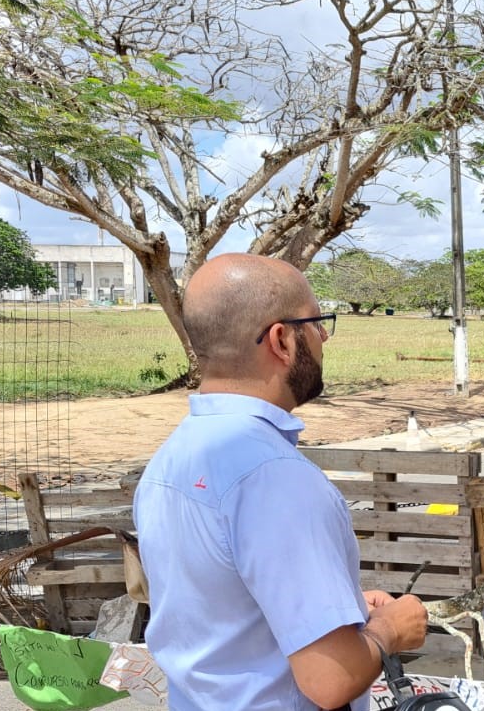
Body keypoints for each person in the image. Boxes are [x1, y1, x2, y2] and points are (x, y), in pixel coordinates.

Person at [134, 253, 428, 710]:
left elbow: (227, 606)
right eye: (317, 322)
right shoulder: (278, 478)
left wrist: (345, 603)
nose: (324, 336)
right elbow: (329, 679)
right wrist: (392, 628)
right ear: (282, 340)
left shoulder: (169, 460)